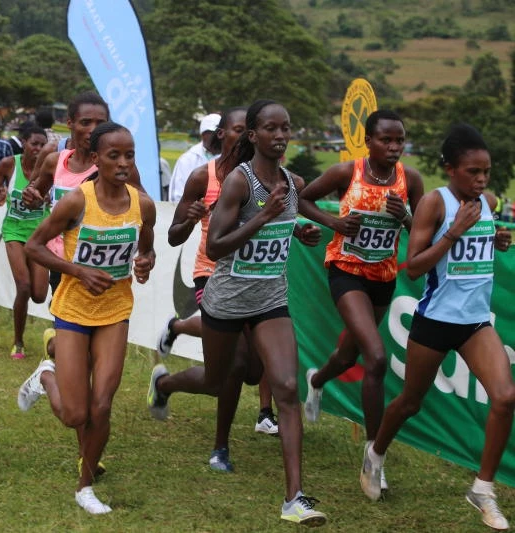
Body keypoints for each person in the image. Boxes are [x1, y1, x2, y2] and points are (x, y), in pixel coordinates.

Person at [147, 100, 327, 526]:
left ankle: (293, 498)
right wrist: (264, 217)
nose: (280, 136)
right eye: (271, 129)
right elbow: (216, 246)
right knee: (216, 380)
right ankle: (166, 383)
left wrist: (300, 229)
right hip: (226, 300)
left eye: (286, 128)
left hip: (271, 300)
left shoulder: (290, 181)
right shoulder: (238, 184)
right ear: (253, 135)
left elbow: (290, 219)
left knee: (286, 387)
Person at [360, 124, 514, 531]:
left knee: (505, 397)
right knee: (411, 403)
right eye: (472, 172)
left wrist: (492, 238)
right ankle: (375, 453)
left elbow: (477, 246)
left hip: (476, 322)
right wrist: (455, 233)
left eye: (486, 172)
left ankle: (482, 489)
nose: (481, 180)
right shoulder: (435, 204)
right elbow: (412, 269)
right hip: (435, 321)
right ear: (450, 169)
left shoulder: (490, 201)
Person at [20, 122, 156, 514]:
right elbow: (33, 247)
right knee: (75, 414)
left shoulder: (141, 204)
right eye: (114, 155)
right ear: (96, 159)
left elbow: (146, 250)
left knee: (102, 405)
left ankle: (85, 486)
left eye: (129, 155)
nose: (123, 162)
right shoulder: (76, 202)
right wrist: (78, 271)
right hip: (74, 310)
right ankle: (45, 376)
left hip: (115, 311)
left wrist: (145, 263)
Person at [298, 110, 424, 492]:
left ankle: (317, 380)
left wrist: (406, 218)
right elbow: (302, 199)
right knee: (377, 356)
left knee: (349, 355)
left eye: (399, 140)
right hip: (346, 271)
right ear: (368, 141)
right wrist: (333, 223)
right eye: (386, 140)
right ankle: (374, 458)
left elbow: (423, 230)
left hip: (383, 278)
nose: (394, 147)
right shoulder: (345, 173)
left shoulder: (410, 179)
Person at [153, 108, 281, 474]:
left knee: (253, 372)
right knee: (236, 364)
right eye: (237, 130)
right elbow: (174, 234)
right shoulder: (202, 176)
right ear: (222, 134)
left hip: (257, 281)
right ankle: (220, 448)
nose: (243, 138)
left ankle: (165, 382)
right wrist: (190, 218)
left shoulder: (267, 178)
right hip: (212, 276)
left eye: (247, 131)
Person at [0, 125, 49, 359]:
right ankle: (18, 342)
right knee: (23, 285)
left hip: (40, 234)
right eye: (34, 144)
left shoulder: (49, 167)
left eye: (43, 145)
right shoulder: (9, 165)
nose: (39, 149)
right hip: (14, 231)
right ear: (23, 142)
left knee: (39, 295)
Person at [167, 113, 221, 202]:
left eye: (219, 133)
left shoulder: (231, 157)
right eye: (212, 133)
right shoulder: (187, 159)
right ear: (203, 135)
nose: (217, 137)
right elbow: (177, 196)